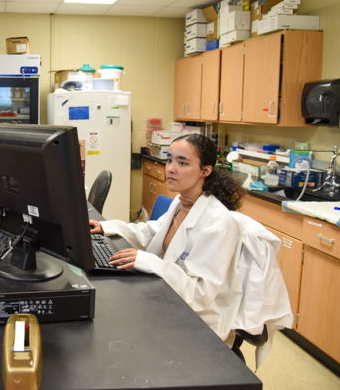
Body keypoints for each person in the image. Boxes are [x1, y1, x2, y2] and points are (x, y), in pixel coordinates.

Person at [89, 134, 246, 343]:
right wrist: (107, 226)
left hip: (199, 324)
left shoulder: (217, 224)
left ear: (205, 171)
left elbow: (199, 294)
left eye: (182, 162)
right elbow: (151, 232)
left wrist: (149, 261)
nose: (171, 168)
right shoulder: (181, 202)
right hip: (168, 299)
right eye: (169, 159)